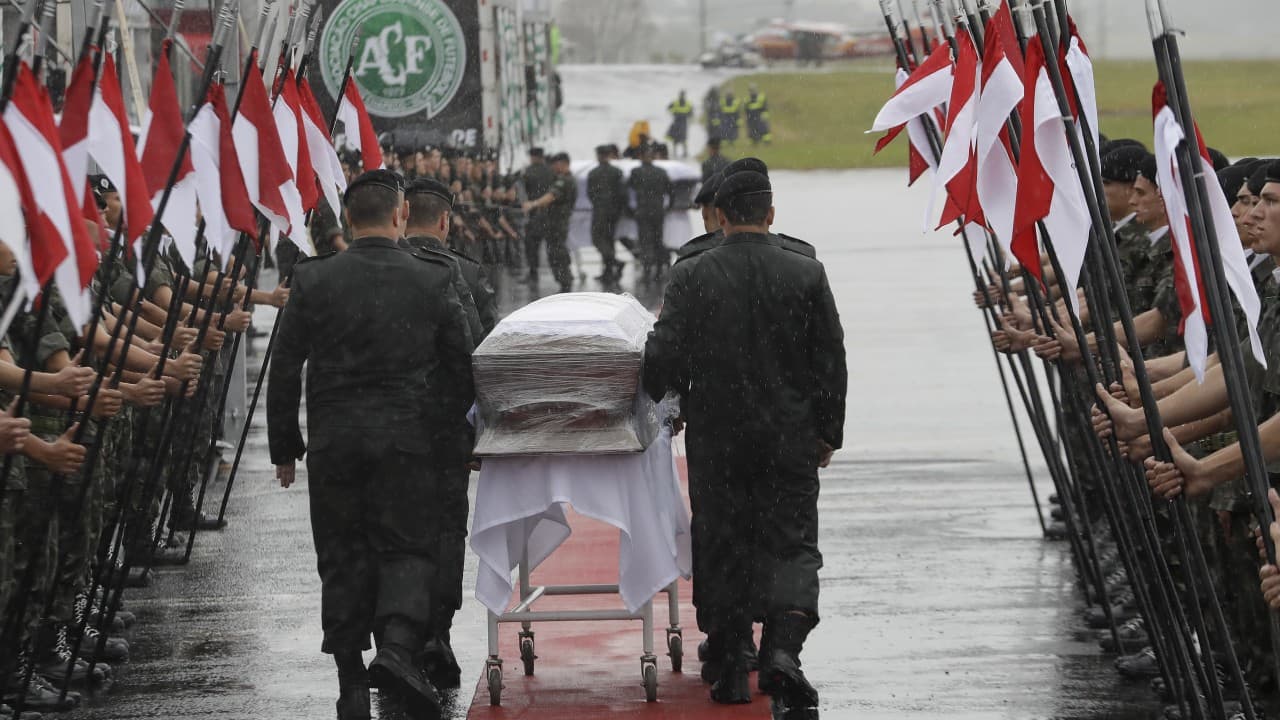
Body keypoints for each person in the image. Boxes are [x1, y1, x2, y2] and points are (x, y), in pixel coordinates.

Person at [267, 169, 475, 720]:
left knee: (341, 554)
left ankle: (351, 682)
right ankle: (397, 647)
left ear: (348, 217)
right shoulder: (431, 279)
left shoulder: (314, 279)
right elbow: (462, 365)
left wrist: (285, 445)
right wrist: (445, 430)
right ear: (401, 214)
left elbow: (284, 365)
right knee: (407, 548)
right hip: (407, 441)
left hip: (334, 444)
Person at [643, 170, 846, 715]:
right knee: (792, 543)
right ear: (771, 214)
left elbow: (662, 352)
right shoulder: (806, 271)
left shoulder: (692, 274)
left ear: (721, 216)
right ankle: (783, 648)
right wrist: (827, 431)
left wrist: (670, 398)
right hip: (789, 436)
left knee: (722, 541)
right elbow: (830, 358)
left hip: (719, 437)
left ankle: (732, 659)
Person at [522, 152, 577, 293]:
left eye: (555, 165)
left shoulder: (564, 180)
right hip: (555, 223)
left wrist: (533, 204)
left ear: (562, 164)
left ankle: (565, 283)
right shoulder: (564, 179)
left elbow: (551, 196)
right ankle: (565, 282)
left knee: (557, 253)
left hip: (557, 224)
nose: (552, 168)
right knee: (556, 252)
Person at [628, 144, 672, 280]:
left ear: (640, 157)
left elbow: (629, 188)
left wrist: (629, 209)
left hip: (643, 210)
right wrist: (669, 207)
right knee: (658, 238)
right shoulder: (661, 172)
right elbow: (671, 191)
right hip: (658, 210)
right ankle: (659, 267)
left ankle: (647, 268)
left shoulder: (636, 172)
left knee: (645, 240)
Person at [587, 144, 627, 286]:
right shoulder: (617, 172)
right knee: (609, 240)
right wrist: (619, 209)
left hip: (600, 210)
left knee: (597, 238)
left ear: (598, 156)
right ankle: (608, 271)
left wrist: (599, 204)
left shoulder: (593, 173)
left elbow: (590, 193)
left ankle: (615, 263)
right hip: (614, 211)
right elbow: (623, 193)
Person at [520, 147, 556, 285]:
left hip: (534, 213)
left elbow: (522, 190)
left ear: (533, 157)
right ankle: (560, 274)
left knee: (531, 245)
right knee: (553, 245)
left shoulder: (528, 171)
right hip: (550, 214)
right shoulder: (551, 171)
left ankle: (533, 272)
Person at [666, 90, 694, 158]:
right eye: (681, 95)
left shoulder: (688, 103)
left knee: (683, 138)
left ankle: (685, 152)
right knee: (676, 138)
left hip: (683, 123)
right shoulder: (675, 103)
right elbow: (669, 108)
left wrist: (687, 115)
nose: (682, 96)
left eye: (683, 95)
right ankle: (675, 152)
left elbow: (691, 113)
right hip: (677, 122)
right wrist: (673, 112)